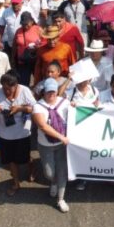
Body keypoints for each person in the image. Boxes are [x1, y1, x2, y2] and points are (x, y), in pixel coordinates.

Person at [0, 72, 36, 197]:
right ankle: (16, 183)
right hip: (5, 133)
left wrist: (20, 108)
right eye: (4, 88)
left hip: (22, 132)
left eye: (9, 88)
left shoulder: (25, 90)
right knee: (11, 160)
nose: (6, 91)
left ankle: (31, 170)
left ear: (16, 85)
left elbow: (34, 108)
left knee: (25, 158)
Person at [33, 77, 71, 213]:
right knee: (49, 173)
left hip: (62, 145)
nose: (51, 95)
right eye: (49, 92)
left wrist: (76, 106)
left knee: (62, 171)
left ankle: (61, 199)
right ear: (44, 92)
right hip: (46, 145)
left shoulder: (64, 102)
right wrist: (61, 136)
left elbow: (75, 113)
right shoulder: (38, 106)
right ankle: (53, 182)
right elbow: (43, 126)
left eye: (54, 92)